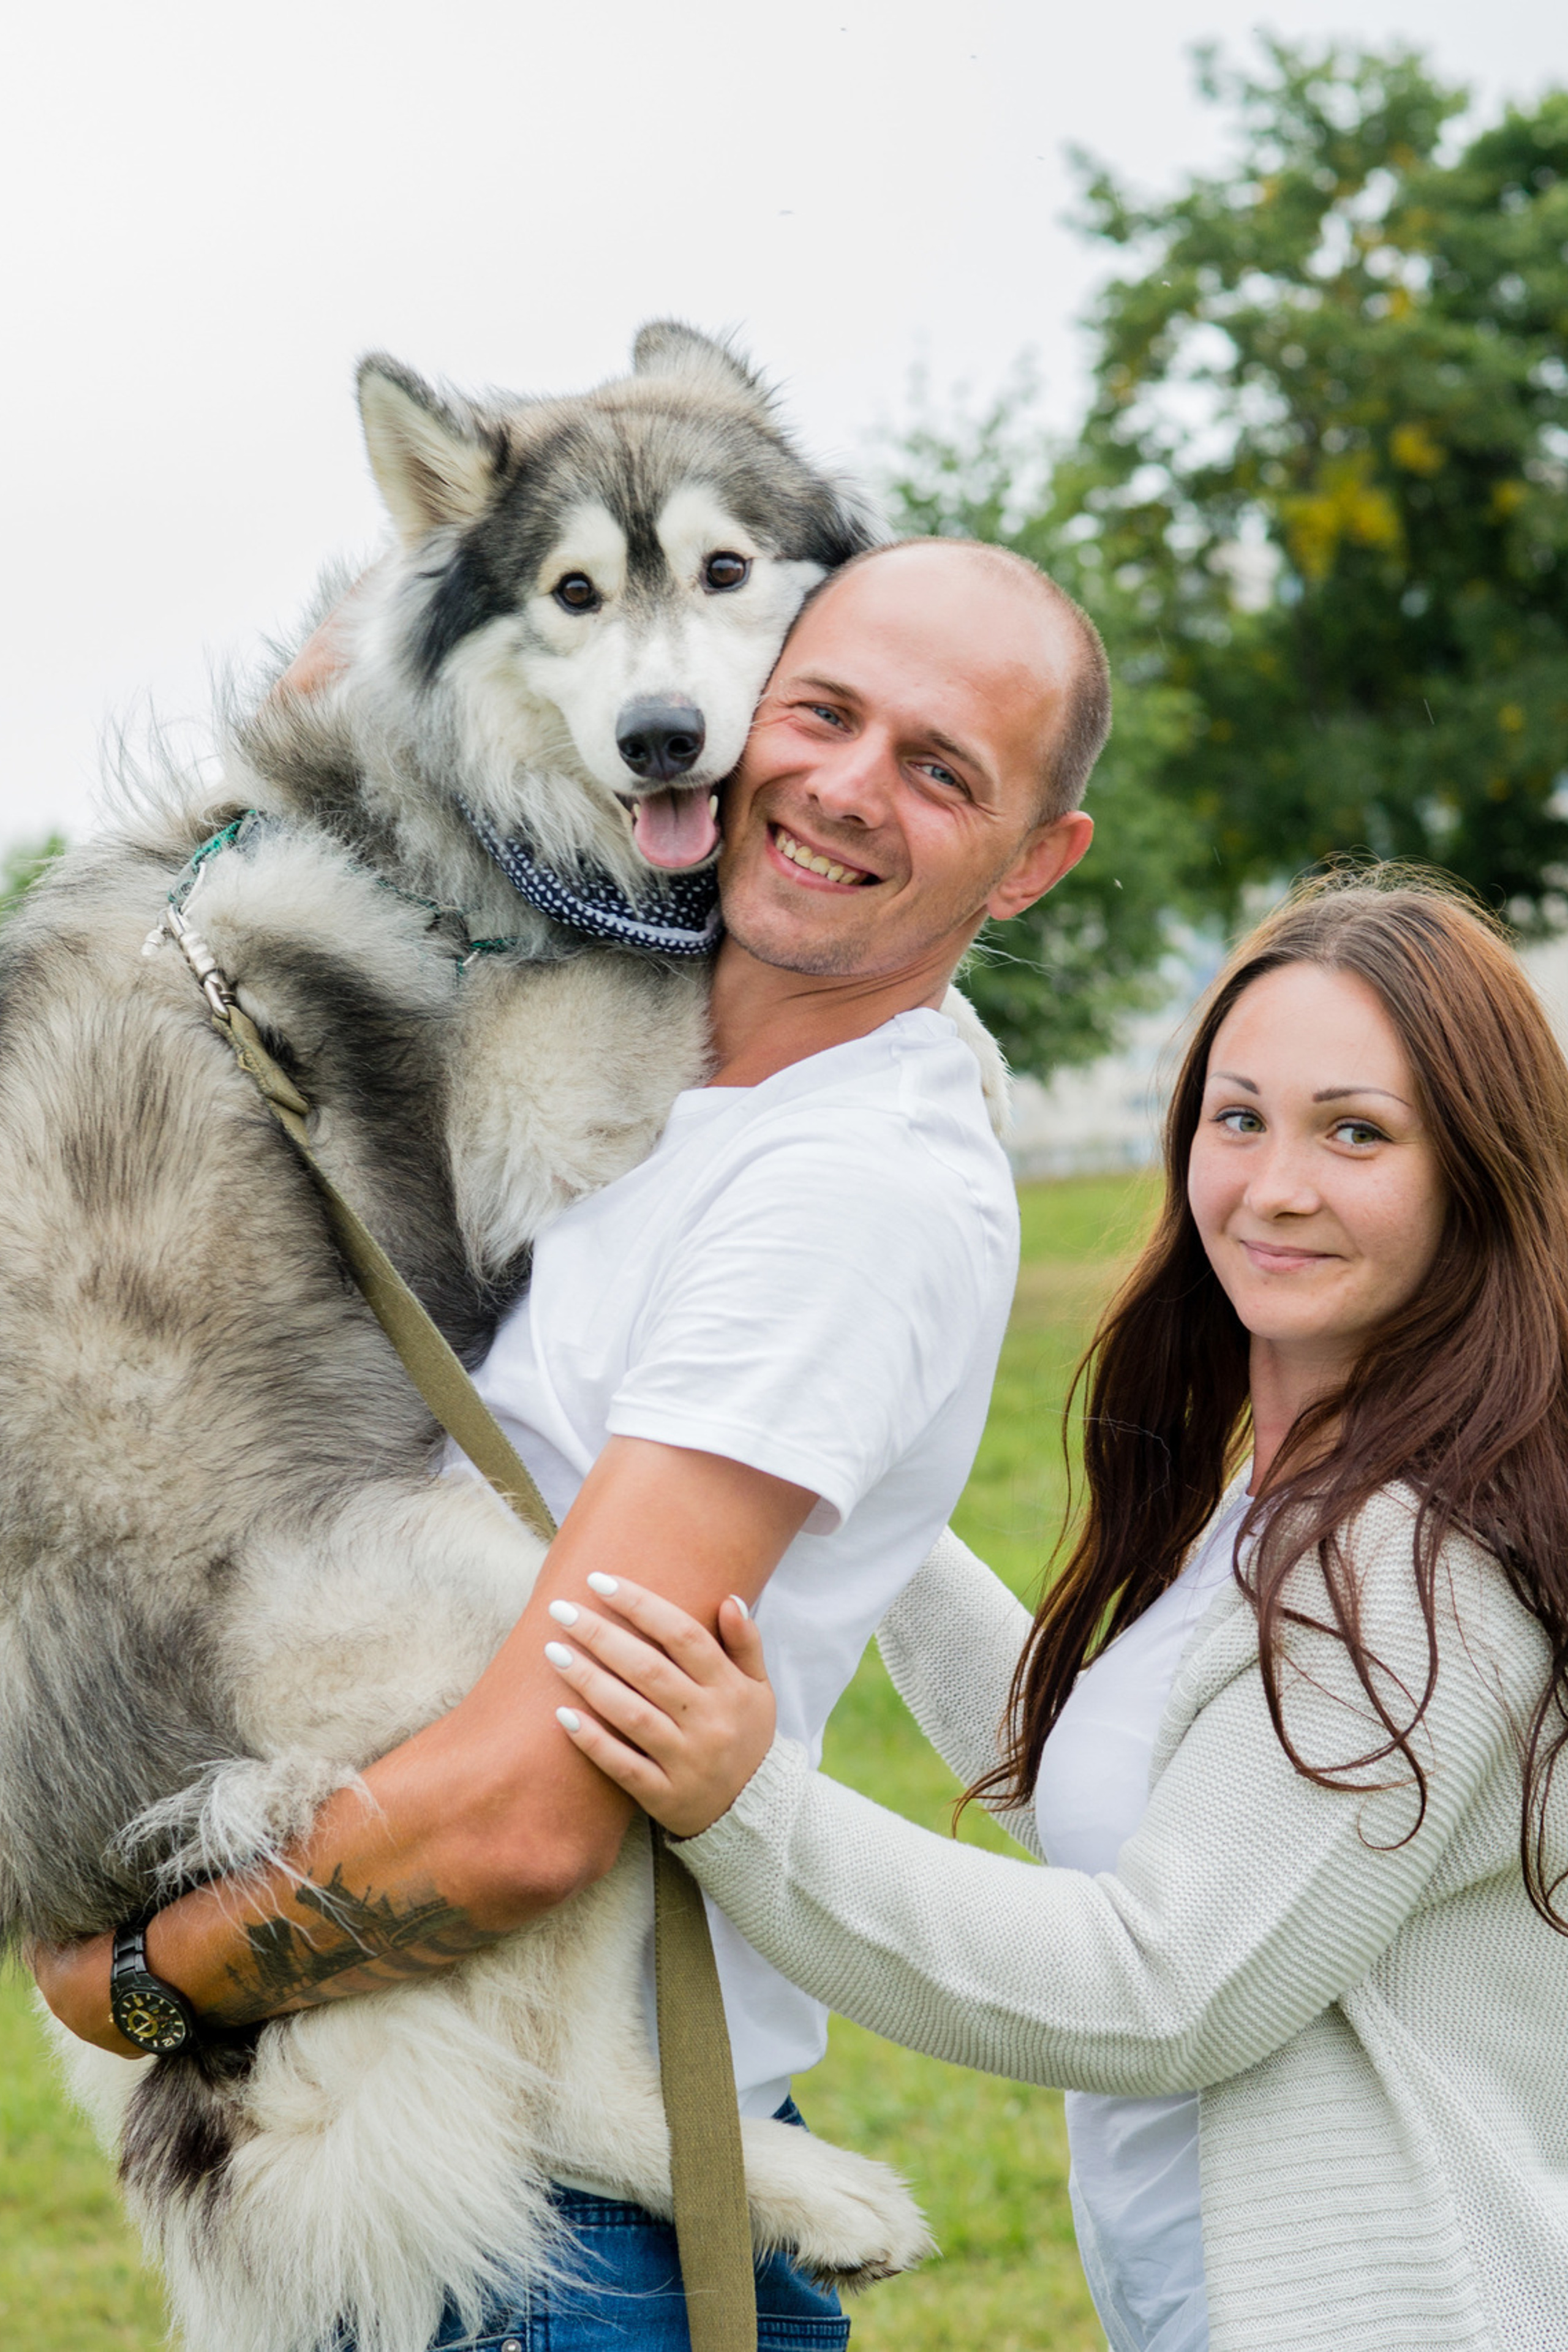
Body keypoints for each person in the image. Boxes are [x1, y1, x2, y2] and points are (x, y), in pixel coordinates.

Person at [31, 537, 1104, 2346]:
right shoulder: (645, 1076)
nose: (847, 785)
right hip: (378, 2170)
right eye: (822, 713)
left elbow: (531, 1814)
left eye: (941, 770)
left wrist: (138, 1984)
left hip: (556, 2229)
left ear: (1034, 860)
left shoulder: (845, 1189)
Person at [549, 873, 1568, 2352]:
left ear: (1474, 1169)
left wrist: (746, 1808)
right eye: (1237, 1117)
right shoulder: (1298, 1498)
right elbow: (1109, 1788)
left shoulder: (1414, 1567)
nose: (1273, 1185)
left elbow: (1163, 1989)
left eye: (1355, 1132)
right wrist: (823, 1472)